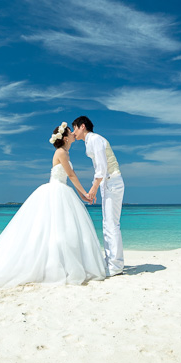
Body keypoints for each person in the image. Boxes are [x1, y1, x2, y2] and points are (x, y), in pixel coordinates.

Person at [0, 122, 106, 288]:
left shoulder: (65, 152)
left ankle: (61, 264)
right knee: (53, 230)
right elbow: (70, 174)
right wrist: (85, 193)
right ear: (65, 138)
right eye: (70, 132)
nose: (73, 135)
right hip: (56, 191)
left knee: (63, 230)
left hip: (63, 190)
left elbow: (69, 177)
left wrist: (81, 195)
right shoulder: (61, 152)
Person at [72, 116, 125, 276]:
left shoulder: (95, 139)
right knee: (107, 223)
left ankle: (115, 266)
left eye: (74, 128)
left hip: (112, 181)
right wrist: (97, 187)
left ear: (82, 126)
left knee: (111, 224)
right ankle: (111, 261)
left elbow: (101, 166)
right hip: (107, 183)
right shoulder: (90, 141)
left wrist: (93, 189)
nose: (73, 132)